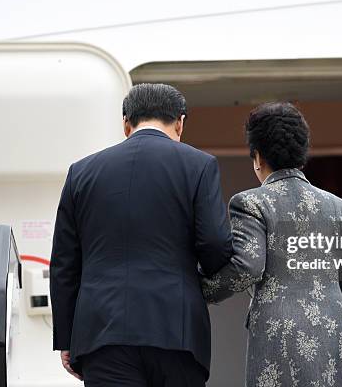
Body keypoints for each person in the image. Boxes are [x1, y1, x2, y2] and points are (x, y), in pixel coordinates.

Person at [50, 83, 234, 386]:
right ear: (180, 122)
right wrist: (206, 277)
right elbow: (214, 242)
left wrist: (68, 338)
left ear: (125, 123)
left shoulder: (80, 172)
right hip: (177, 332)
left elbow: (64, 264)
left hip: (101, 335)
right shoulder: (199, 165)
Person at [202, 102, 342, 387]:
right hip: (339, 338)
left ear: (258, 157)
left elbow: (247, 267)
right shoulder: (340, 208)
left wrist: (201, 290)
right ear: (301, 156)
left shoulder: (251, 203)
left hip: (281, 337)